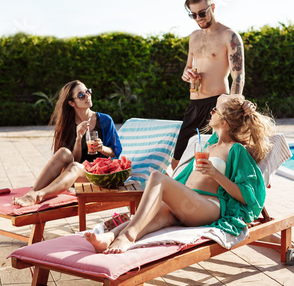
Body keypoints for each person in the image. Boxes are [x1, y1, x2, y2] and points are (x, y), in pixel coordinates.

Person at [85, 94, 275, 254]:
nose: (211, 112)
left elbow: (248, 196)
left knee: (157, 177)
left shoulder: (236, 150)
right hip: (187, 205)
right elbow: (225, 100)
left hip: (209, 205)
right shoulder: (210, 144)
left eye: (215, 111)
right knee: (152, 216)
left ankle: (127, 236)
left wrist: (216, 174)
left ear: (224, 122)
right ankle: (109, 236)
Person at [172, 0, 251, 170]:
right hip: (194, 105)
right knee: (177, 160)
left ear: (212, 7)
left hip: (216, 105)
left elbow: (238, 75)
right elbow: (188, 67)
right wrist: (186, 74)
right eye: (193, 15)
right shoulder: (194, 36)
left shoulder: (229, 36)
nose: (198, 18)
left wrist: (232, 107)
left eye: (202, 13)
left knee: (215, 158)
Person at [13, 80, 122, 207]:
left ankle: (39, 195)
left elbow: (115, 152)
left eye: (88, 92)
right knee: (64, 152)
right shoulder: (68, 125)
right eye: (81, 95)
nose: (87, 96)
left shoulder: (105, 120)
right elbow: (70, 162)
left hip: (99, 174)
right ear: (71, 103)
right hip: (76, 172)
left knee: (75, 167)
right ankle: (31, 193)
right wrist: (78, 138)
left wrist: (102, 148)